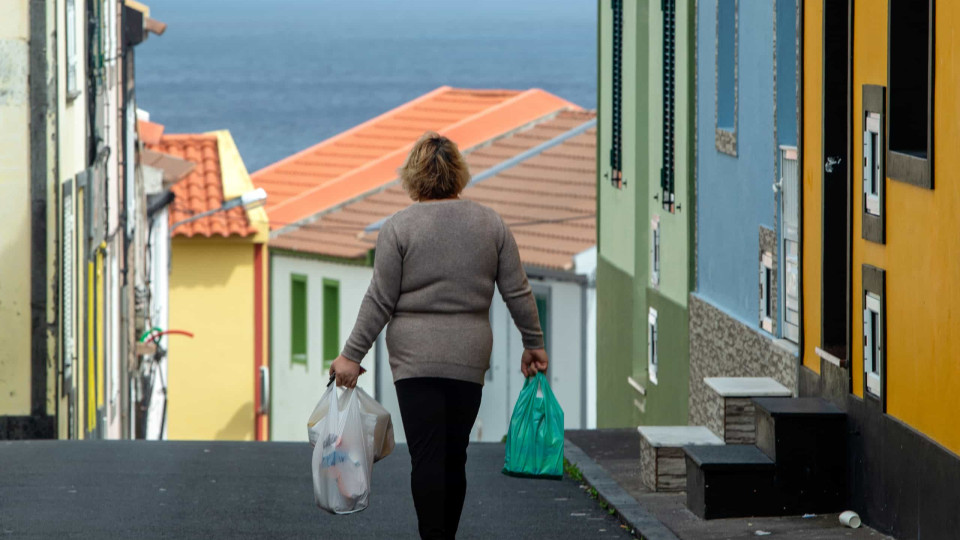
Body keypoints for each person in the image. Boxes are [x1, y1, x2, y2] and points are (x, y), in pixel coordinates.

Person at [328, 131, 548, 539]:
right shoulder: (490, 224)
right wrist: (533, 343)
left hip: (415, 362)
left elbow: (380, 299)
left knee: (426, 457)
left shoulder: (399, 227)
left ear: (413, 176)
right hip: (469, 357)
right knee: (454, 457)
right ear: (459, 175)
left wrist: (351, 356)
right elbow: (517, 290)